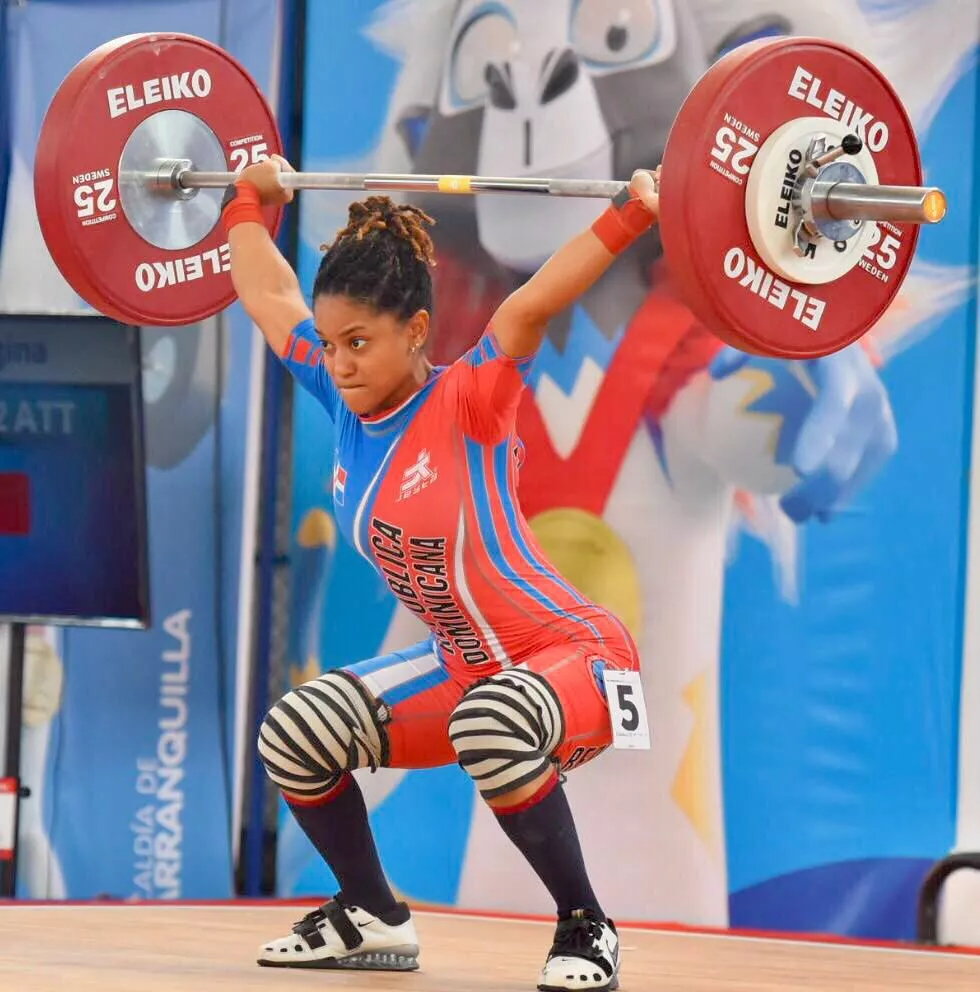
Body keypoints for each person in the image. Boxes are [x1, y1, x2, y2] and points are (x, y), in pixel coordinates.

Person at [221, 153, 660, 992]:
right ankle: (371, 914)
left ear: (416, 331)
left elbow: (532, 302)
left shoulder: (471, 398)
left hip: (575, 656)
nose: (340, 361)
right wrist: (249, 198)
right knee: (295, 733)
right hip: (467, 668)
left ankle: (586, 925)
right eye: (334, 341)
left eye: (361, 342)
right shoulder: (338, 394)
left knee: (490, 722)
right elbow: (267, 297)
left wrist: (631, 215)